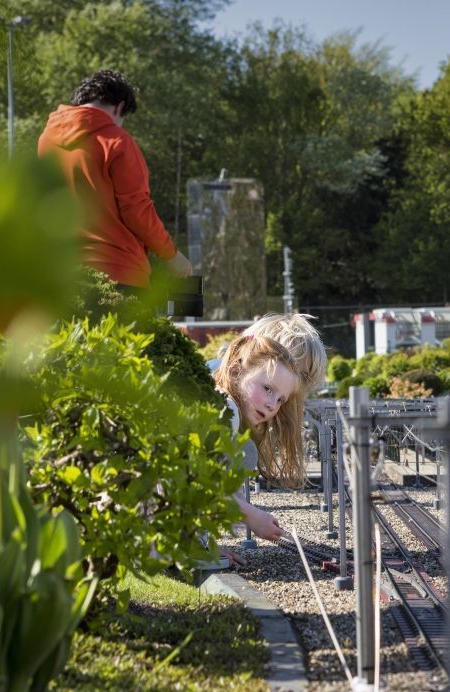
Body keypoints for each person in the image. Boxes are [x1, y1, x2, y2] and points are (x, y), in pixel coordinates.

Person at [38, 69, 192, 289]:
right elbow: (136, 209)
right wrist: (171, 255)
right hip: (117, 272)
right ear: (120, 107)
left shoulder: (46, 140)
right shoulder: (118, 141)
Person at [213, 317, 326, 542]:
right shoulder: (225, 410)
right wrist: (252, 515)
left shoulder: (238, 408)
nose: (274, 403)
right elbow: (195, 481)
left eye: (282, 398)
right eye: (268, 388)